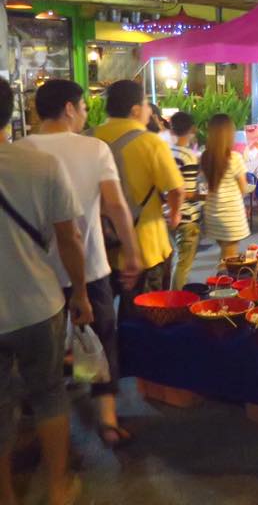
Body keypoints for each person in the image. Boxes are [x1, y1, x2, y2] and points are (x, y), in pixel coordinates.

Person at [20, 80, 142, 449]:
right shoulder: (93, 148)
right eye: (85, 107)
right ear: (70, 108)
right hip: (90, 266)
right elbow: (116, 205)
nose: (87, 114)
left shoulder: (19, 151)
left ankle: (45, 429)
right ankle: (106, 420)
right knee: (102, 340)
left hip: (37, 274)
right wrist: (133, 252)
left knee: (45, 352)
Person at [0, 77, 94, 505]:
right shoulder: (38, 164)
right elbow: (69, 238)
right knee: (49, 392)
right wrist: (81, 293)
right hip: (39, 302)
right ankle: (59, 488)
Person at [94, 80, 184, 310]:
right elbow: (176, 188)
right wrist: (174, 215)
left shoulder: (89, 139)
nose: (148, 109)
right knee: (145, 319)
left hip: (101, 247)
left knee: (101, 322)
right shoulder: (150, 142)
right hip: (146, 247)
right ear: (135, 110)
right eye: (146, 104)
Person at [200, 114, 251, 260]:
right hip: (230, 214)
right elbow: (243, 188)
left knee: (225, 254)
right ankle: (221, 282)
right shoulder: (234, 158)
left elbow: (204, 184)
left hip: (212, 213)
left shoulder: (205, 157)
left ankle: (220, 281)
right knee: (228, 260)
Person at [169, 111, 202, 290]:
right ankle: (177, 300)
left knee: (176, 260)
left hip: (167, 214)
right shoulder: (188, 156)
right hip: (186, 216)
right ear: (192, 129)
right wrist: (202, 195)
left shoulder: (167, 152)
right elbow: (188, 192)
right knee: (183, 264)